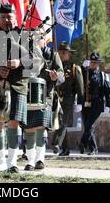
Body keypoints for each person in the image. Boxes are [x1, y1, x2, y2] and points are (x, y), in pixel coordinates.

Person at [0, 3, 39, 173]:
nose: (7, 20)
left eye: (10, 17)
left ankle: (12, 162)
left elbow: (35, 61)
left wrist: (19, 62)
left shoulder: (25, 36)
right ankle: (1, 162)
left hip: (17, 85)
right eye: (3, 17)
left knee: (14, 123)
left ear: (16, 19)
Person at [23, 37, 64, 171]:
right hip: (28, 95)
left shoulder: (53, 54)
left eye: (39, 36)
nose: (36, 38)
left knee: (41, 127)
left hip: (46, 95)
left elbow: (61, 75)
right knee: (29, 129)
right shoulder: (25, 52)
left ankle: (40, 159)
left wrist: (56, 76)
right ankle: (30, 161)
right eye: (34, 36)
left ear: (45, 40)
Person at [52, 42, 84, 156]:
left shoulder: (75, 68)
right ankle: (65, 149)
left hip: (68, 98)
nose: (62, 54)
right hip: (56, 97)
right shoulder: (54, 67)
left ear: (69, 54)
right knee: (59, 122)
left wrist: (79, 102)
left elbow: (80, 87)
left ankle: (56, 143)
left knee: (62, 121)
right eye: (60, 52)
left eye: (64, 52)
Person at [80, 52, 110, 155]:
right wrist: (82, 67)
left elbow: (108, 91)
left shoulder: (102, 76)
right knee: (87, 126)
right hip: (86, 103)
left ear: (98, 64)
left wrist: (108, 105)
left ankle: (84, 144)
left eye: (95, 63)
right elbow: (78, 80)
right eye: (91, 62)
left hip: (97, 104)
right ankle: (91, 148)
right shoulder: (84, 73)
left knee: (89, 125)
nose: (93, 64)